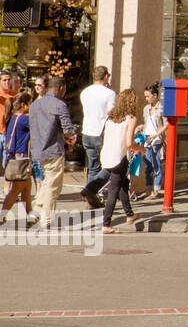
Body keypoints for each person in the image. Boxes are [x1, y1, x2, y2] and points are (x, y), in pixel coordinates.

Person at [30, 76, 75, 231]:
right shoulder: (59, 105)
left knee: (48, 182)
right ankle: (46, 218)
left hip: (37, 150)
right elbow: (68, 129)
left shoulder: (35, 105)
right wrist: (69, 139)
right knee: (53, 186)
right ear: (60, 88)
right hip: (53, 150)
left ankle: (37, 208)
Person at [99, 89, 139, 233]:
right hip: (119, 157)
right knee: (114, 190)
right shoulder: (131, 118)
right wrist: (140, 148)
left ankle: (130, 214)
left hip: (107, 155)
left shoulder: (110, 118)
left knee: (122, 184)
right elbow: (129, 143)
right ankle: (106, 224)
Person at [79, 65, 117, 208]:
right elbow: (113, 113)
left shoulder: (85, 92)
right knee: (111, 165)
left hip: (87, 131)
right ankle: (91, 190)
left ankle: (91, 200)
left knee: (93, 166)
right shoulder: (110, 94)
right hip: (101, 133)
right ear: (106, 76)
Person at [0, 92, 33, 226]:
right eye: (30, 104)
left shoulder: (14, 117)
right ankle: (1, 216)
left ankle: (30, 216)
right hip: (21, 158)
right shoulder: (24, 119)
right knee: (16, 190)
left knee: (26, 189)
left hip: (14, 157)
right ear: (24, 105)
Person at [137, 83, 166, 201]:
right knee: (148, 165)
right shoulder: (146, 108)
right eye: (145, 96)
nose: (146, 98)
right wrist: (141, 127)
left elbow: (167, 125)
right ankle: (148, 189)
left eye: (148, 96)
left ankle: (156, 190)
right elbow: (148, 124)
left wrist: (157, 135)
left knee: (156, 165)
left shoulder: (162, 108)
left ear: (155, 95)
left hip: (157, 139)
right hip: (147, 139)